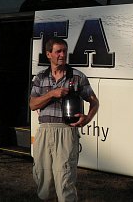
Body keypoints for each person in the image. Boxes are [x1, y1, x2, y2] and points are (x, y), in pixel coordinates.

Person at [29, 37, 99, 202]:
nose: (62, 55)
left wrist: (87, 118)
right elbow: (32, 105)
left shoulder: (77, 76)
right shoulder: (40, 77)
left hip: (66, 131)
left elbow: (94, 102)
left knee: (65, 179)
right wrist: (52, 94)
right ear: (49, 54)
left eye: (64, 51)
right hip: (45, 131)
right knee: (42, 177)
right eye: (58, 51)